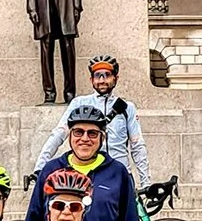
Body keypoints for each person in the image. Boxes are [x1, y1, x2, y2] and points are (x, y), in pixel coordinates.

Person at [34, 55, 151, 188]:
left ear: (115, 78)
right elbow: (59, 134)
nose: (102, 80)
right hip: (86, 174)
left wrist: (146, 182)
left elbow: (137, 145)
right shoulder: (79, 103)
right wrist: (40, 168)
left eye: (107, 75)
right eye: (97, 76)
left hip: (120, 175)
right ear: (91, 80)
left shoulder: (127, 108)